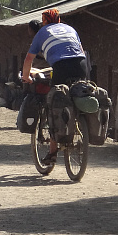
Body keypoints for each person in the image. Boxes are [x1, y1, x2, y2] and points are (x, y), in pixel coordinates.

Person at [22, 8, 88, 163]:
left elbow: (28, 59)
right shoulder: (70, 29)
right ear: (58, 19)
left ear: (44, 21)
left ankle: (52, 153)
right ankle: (80, 123)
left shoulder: (42, 32)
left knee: (54, 102)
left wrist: (26, 77)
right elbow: (80, 50)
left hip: (61, 66)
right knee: (77, 93)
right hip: (81, 64)